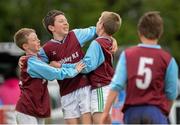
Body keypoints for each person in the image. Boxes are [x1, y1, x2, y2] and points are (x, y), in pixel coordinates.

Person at [100, 11, 179, 124]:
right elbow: (171, 92)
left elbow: (116, 84)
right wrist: (165, 112)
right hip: (156, 111)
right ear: (160, 33)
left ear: (139, 32)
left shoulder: (128, 55)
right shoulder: (168, 59)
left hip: (132, 112)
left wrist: (106, 112)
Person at [14, 28, 85, 124]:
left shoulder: (38, 59)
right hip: (27, 109)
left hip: (36, 108)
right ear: (25, 46)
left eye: (37, 38)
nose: (38, 40)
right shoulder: (32, 62)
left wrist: (74, 66)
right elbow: (54, 72)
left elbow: (55, 65)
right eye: (34, 39)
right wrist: (74, 70)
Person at [80, 11, 121, 124]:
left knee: (99, 121)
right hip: (107, 86)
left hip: (100, 87)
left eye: (98, 21)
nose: (96, 23)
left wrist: (71, 65)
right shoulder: (109, 42)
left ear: (101, 25)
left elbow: (87, 66)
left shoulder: (97, 43)